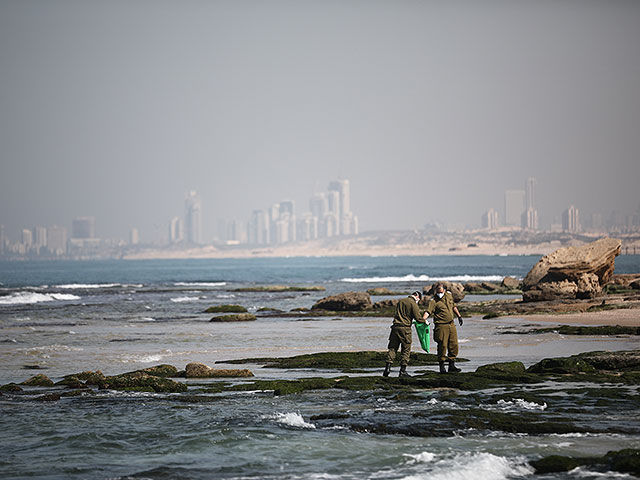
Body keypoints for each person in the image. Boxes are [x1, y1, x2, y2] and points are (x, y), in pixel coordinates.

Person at [383, 291, 428, 378]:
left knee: (392, 348)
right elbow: (418, 317)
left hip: (395, 327)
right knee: (406, 349)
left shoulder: (401, 301)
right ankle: (402, 371)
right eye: (419, 299)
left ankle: (387, 369)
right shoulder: (413, 303)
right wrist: (424, 321)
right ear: (417, 296)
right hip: (405, 328)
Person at [425, 283, 464, 374]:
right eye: (437, 289)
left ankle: (452, 365)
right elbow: (428, 312)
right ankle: (442, 366)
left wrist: (459, 316)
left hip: (451, 324)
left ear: (444, 289)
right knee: (442, 346)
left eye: (440, 289)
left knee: (453, 344)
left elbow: (453, 306)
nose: (439, 291)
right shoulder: (433, 301)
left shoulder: (449, 296)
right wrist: (422, 320)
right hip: (441, 326)